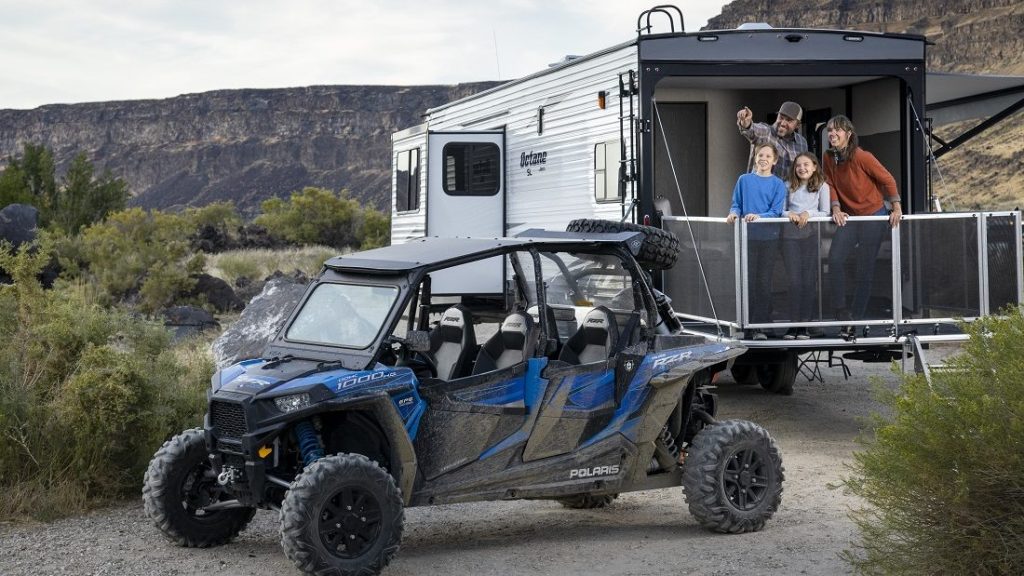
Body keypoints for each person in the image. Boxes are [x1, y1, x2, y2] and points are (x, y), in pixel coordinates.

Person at [823, 114, 902, 341]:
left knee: (864, 269)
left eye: (837, 130)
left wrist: (896, 208)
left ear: (848, 134)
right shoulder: (829, 157)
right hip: (850, 217)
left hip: (873, 215)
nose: (832, 134)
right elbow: (829, 183)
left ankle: (856, 321)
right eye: (829, 130)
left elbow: (888, 180)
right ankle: (842, 313)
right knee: (835, 259)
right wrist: (836, 208)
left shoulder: (861, 156)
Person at [727, 142, 787, 340]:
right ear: (755, 157)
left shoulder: (778, 184)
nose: (763, 159)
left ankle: (760, 325)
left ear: (774, 161)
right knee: (747, 281)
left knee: (763, 281)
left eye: (768, 156)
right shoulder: (743, 180)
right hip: (746, 238)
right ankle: (745, 325)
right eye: (760, 155)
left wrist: (759, 216)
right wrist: (733, 214)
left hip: (768, 239)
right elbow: (736, 204)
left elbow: (776, 211)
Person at [781, 152, 830, 340]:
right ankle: (793, 325)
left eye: (806, 164)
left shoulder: (822, 186)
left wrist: (808, 214)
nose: (802, 168)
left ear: (814, 166)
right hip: (790, 238)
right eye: (798, 165)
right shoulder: (787, 186)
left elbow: (825, 212)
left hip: (811, 237)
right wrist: (791, 215)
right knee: (794, 281)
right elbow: (780, 210)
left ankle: (804, 325)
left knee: (808, 281)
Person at [736, 101, 808, 180]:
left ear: (797, 125)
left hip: (786, 191)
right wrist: (745, 122)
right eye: (781, 117)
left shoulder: (802, 143)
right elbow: (751, 129)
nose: (783, 123)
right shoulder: (766, 132)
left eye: (789, 120)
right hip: (760, 189)